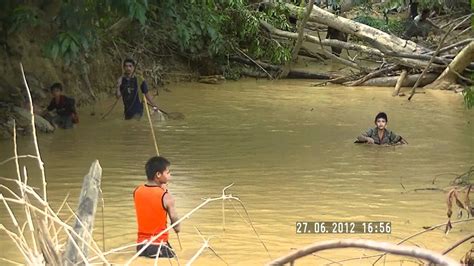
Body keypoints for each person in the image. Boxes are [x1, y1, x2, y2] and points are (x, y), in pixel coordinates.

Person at [134, 156, 180, 258]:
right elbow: (176, 225)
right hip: (159, 246)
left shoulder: (137, 191)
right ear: (158, 175)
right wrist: (166, 193)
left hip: (140, 246)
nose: (170, 175)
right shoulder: (166, 197)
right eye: (168, 173)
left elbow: (150, 204)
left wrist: (162, 190)